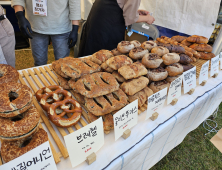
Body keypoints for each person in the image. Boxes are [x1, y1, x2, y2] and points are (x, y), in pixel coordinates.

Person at [11, 0, 81, 66]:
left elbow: (74, 2)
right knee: (39, 63)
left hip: (61, 25)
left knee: (62, 64)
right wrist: (20, 16)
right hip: (35, 25)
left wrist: (75, 27)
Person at [78, 0, 155, 57]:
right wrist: (147, 18)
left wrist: (135, 12)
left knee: (90, 50)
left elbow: (122, 5)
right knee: (100, 57)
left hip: (99, 16)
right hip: (107, 23)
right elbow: (130, 18)